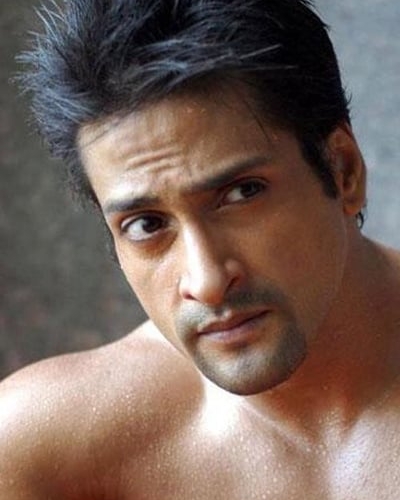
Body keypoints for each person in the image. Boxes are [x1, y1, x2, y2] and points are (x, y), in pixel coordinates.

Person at [1, 0, 399, 497]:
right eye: (147, 224)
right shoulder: (42, 457)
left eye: (242, 194)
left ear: (343, 171)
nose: (207, 281)